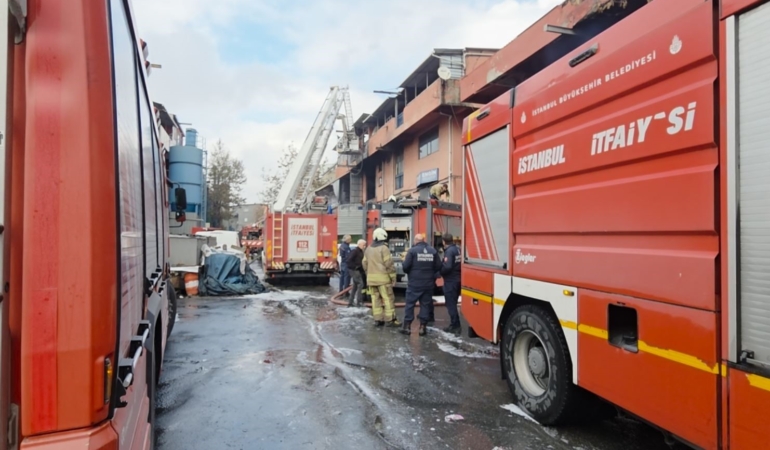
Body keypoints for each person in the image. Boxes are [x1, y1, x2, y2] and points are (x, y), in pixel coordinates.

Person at [400, 234, 441, 336]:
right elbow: (439, 266)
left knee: (410, 305)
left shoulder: (412, 251)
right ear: (423, 240)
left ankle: (407, 327)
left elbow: (405, 267)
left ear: (415, 241)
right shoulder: (433, 251)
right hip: (428, 284)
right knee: (425, 305)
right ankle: (423, 327)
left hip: (414, 283)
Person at [362, 228, 401, 327]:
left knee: (375, 300)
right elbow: (389, 264)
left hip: (371, 280)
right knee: (388, 299)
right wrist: (393, 277)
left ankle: (378, 320)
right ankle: (390, 320)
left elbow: (364, 263)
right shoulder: (384, 248)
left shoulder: (368, 248)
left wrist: (369, 274)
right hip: (383, 280)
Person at [439, 233, 462, 335]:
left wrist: (440, 271)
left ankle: (455, 325)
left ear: (444, 241)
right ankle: (455, 323)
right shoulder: (458, 249)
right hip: (458, 279)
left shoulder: (449, 251)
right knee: (454, 302)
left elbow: (447, 267)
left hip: (451, 281)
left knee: (451, 304)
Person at [347, 239, 367, 307]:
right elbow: (349, 260)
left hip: (357, 270)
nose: (364, 246)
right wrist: (355, 267)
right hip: (354, 270)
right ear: (359, 244)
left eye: (365, 245)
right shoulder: (355, 251)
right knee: (361, 284)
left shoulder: (361, 251)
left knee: (355, 286)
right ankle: (359, 302)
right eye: (363, 245)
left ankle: (351, 302)